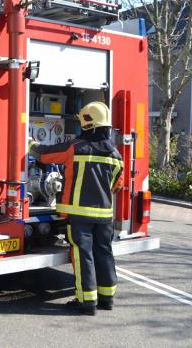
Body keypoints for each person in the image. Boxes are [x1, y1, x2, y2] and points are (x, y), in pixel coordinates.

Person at [29, 101, 123, 316]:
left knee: (83, 255)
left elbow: (45, 155)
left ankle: (86, 302)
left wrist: (29, 145)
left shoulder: (75, 148)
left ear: (87, 125)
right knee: (104, 253)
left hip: (79, 216)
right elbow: (117, 186)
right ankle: (107, 298)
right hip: (105, 217)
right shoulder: (117, 156)